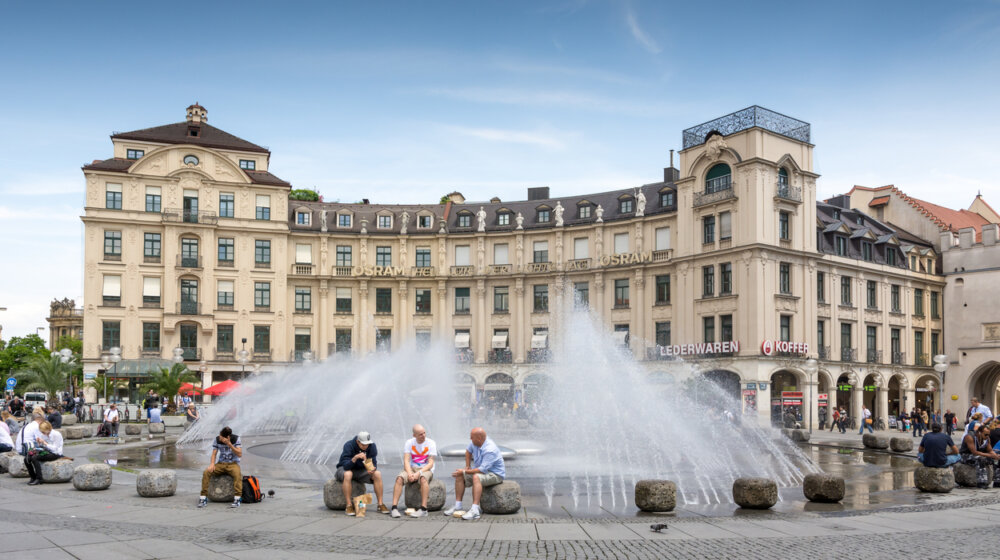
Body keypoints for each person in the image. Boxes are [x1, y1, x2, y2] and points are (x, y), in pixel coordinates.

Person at [444, 427, 506, 521]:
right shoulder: (475, 442)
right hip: (483, 472)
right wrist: (467, 466)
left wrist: (465, 471)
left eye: (471, 437)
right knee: (459, 475)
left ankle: (475, 510)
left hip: (495, 475)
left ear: (479, 438)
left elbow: (481, 470)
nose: (470, 439)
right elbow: (468, 451)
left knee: (476, 477)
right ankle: (458, 506)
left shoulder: (490, 449)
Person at [390, 424, 437, 518]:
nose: (423, 435)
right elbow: (406, 460)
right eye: (420, 434)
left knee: (423, 479)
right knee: (399, 478)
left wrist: (418, 473)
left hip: (425, 469)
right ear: (414, 435)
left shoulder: (431, 443)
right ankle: (394, 508)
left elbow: (430, 463)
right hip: (412, 468)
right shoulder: (409, 442)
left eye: (424, 433)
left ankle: (424, 509)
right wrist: (410, 473)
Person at [336, 431, 388, 516]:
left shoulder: (372, 446)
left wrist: (371, 468)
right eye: (363, 444)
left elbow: (374, 464)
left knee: (377, 474)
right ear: (357, 441)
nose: (366, 446)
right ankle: (348, 505)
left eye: (367, 444)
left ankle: (380, 504)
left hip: (360, 471)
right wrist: (355, 458)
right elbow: (345, 466)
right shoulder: (349, 445)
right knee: (348, 474)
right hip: (344, 469)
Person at [198, 426, 243, 508]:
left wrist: (230, 444)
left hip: (233, 464)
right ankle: (203, 497)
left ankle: (237, 498)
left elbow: (239, 454)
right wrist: (212, 464)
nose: (220, 437)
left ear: (228, 437)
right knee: (206, 472)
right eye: (220, 435)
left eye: (221, 437)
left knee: (237, 475)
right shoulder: (217, 439)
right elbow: (214, 453)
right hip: (220, 464)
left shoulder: (236, 439)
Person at [960, 422, 1000, 489]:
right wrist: (989, 456)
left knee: (997, 460)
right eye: (986, 434)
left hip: (980, 454)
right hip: (966, 455)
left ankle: (997, 480)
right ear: (979, 433)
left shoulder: (987, 439)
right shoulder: (969, 437)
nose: (987, 436)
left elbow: (990, 450)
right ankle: (982, 482)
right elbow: (974, 452)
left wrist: (995, 455)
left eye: (988, 435)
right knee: (981, 459)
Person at [25, 421, 66, 485]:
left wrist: (45, 443)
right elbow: (42, 446)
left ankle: (39, 478)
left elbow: (55, 448)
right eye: (42, 432)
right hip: (46, 451)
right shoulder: (43, 435)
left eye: (43, 431)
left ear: (48, 429)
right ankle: (33, 477)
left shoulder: (56, 434)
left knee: (35, 458)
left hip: (55, 453)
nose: (43, 433)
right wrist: (39, 443)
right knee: (27, 458)